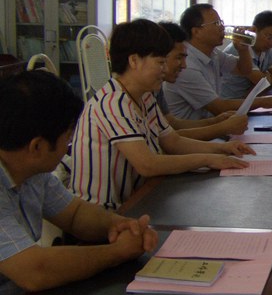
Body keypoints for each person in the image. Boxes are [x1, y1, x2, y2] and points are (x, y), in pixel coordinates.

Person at [0, 71, 158, 295]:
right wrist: (117, 252)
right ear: (37, 146)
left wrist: (120, 225)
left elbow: (75, 215)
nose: (68, 147)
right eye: (67, 138)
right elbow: (34, 270)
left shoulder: (31, 170)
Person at [70, 19, 255, 209]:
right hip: (104, 212)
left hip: (137, 200)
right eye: (160, 62)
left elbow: (173, 141)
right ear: (134, 61)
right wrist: (208, 159)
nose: (165, 69)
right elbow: (147, 164)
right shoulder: (112, 103)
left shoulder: (145, 97)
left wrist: (223, 148)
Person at [162, 3, 272, 120]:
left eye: (221, 22)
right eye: (216, 23)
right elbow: (219, 108)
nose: (222, 27)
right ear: (196, 32)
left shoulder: (214, 54)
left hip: (210, 124)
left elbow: (244, 70)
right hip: (194, 131)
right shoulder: (186, 65)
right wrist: (263, 101)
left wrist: (243, 50)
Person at [157, 21, 249, 141]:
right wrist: (221, 128)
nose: (184, 65)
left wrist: (216, 121)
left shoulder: (155, 90)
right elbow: (168, 141)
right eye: (216, 23)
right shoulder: (188, 69)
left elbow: (173, 124)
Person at [221, 10, 272, 99]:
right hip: (231, 101)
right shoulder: (239, 48)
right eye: (269, 37)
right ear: (254, 30)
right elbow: (260, 81)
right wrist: (265, 78)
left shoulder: (266, 48)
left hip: (249, 98)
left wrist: (265, 79)